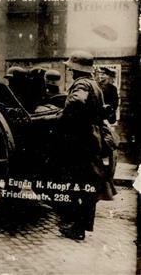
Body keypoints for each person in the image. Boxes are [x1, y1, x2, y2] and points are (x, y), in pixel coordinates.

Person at [56, 50, 115, 240]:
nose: (71, 72)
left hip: (80, 141)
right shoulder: (95, 85)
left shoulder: (81, 83)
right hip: (92, 138)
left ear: (77, 69)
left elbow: (76, 103)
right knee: (88, 186)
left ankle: (76, 228)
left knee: (76, 184)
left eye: (72, 68)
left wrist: (63, 118)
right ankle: (80, 227)